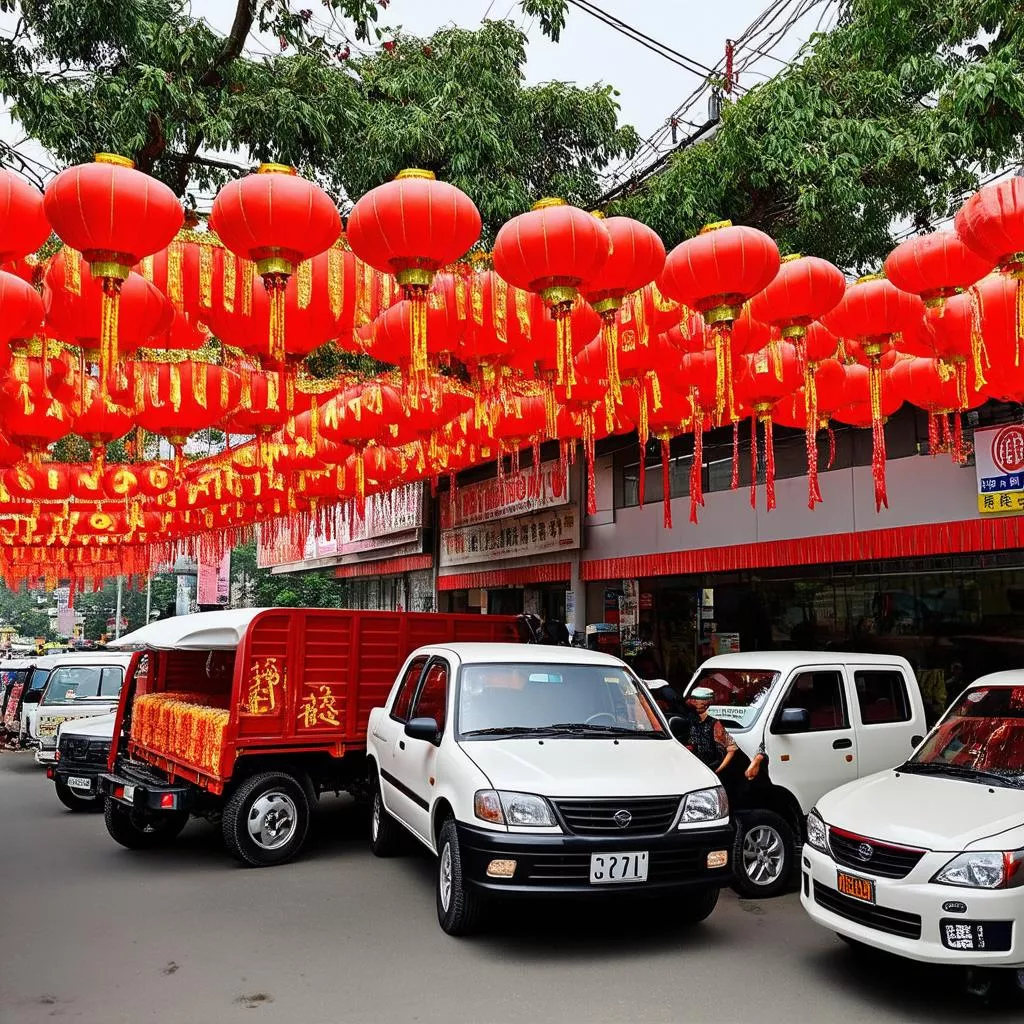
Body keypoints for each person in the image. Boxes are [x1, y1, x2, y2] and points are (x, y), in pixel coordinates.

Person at [687, 686, 738, 776]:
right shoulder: (690, 720)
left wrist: (717, 771)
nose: (692, 702)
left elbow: (731, 749)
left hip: (709, 770)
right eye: (692, 699)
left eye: (695, 700)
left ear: (705, 703)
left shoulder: (714, 724)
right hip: (694, 768)